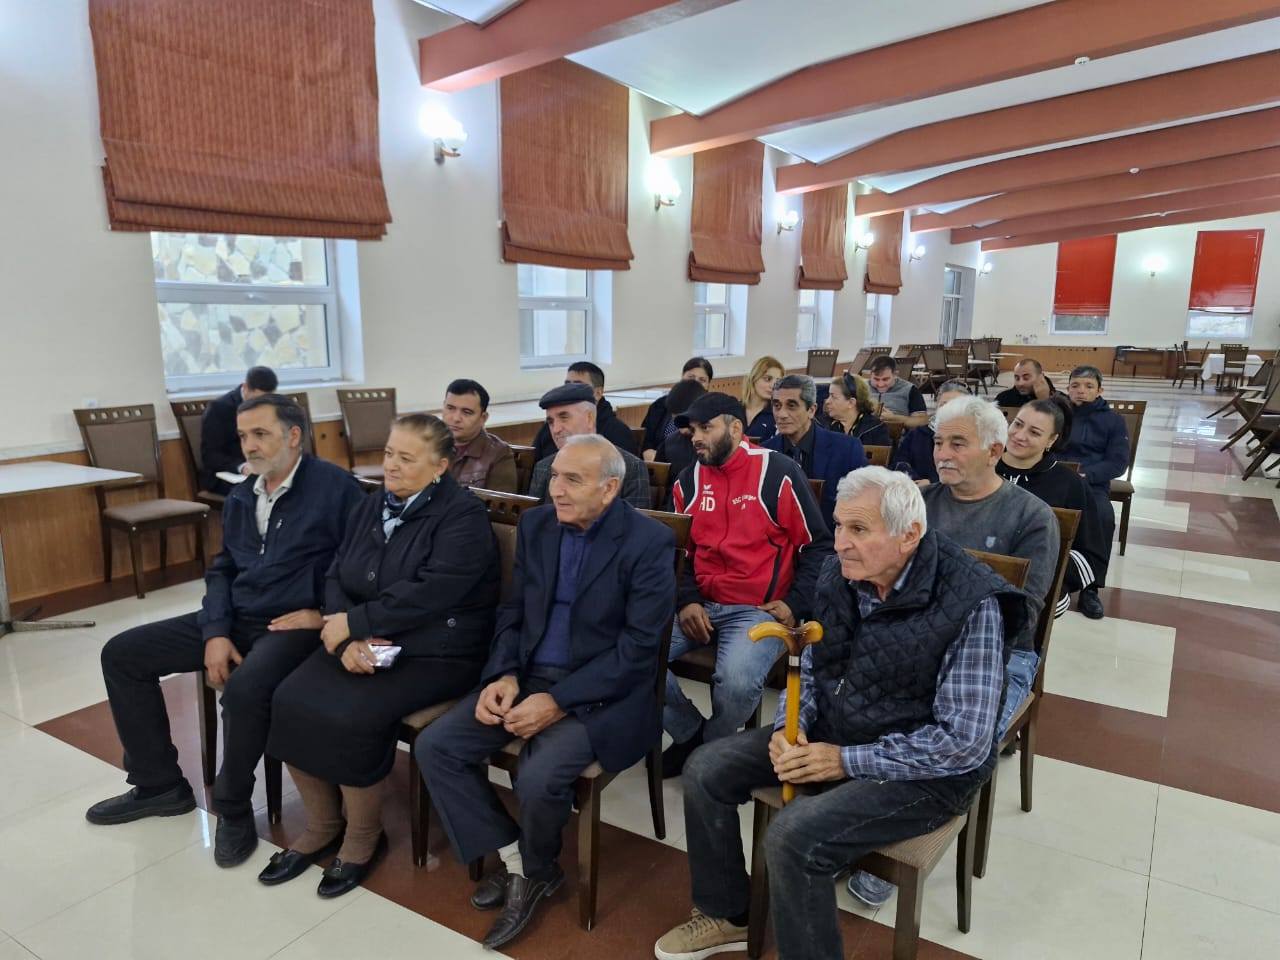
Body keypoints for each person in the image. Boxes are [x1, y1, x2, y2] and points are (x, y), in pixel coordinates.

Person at [653, 468, 1030, 960]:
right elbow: (812, 665)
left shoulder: (973, 603)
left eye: (859, 529)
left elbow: (963, 742)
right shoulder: (840, 573)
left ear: (909, 535)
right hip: (839, 729)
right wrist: (792, 725)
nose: (841, 543)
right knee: (706, 768)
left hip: (926, 773)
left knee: (793, 839)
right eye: (838, 526)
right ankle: (729, 914)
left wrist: (843, 760)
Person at [415, 435, 676, 951]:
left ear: (609, 489)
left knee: (538, 776)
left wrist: (558, 701)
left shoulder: (648, 543)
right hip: (529, 675)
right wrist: (504, 675)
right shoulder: (537, 525)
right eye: (554, 475)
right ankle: (520, 858)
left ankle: (535, 871)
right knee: (436, 746)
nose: (555, 489)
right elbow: (513, 611)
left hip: (604, 694)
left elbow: (638, 650)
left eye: (572, 480)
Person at [86, 394, 364, 868]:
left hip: (293, 624)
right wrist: (215, 631)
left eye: (261, 434)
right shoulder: (242, 494)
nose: (249, 446)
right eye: (243, 436)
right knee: (122, 653)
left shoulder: (336, 489)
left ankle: (233, 808)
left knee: (243, 690)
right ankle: (158, 784)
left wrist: (325, 615)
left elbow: (358, 564)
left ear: (294, 436)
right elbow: (223, 569)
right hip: (237, 616)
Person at [259, 414, 500, 897]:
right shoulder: (372, 504)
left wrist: (356, 625)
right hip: (363, 637)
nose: (391, 465)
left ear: (440, 466)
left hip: (437, 650)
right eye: (389, 453)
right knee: (285, 698)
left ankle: (363, 837)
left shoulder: (462, 517)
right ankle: (323, 824)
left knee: (353, 715)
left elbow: (432, 592)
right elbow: (336, 573)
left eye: (406, 458)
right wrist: (345, 636)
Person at [661, 393, 832, 777]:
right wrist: (687, 600)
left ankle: (709, 750)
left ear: (736, 428)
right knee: (630, 654)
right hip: (700, 603)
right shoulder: (687, 480)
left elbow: (819, 545)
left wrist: (795, 603)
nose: (696, 437)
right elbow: (676, 550)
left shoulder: (778, 472)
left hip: (759, 608)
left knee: (736, 684)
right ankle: (690, 732)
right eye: (693, 430)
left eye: (706, 428)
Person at [998, 397, 1107, 617]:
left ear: (1052, 439)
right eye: (1018, 424)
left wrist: (1050, 579)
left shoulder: (1069, 484)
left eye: (1034, 432)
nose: (1020, 435)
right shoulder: (981, 465)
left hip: (1039, 585)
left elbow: (1090, 554)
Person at [1059, 365, 1129, 620]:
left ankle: (1091, 588)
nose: (1081, 391)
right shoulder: (1059, 415)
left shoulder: (1113, 420)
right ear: (1068, 389)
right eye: (1075, 385)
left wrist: (1087, 475)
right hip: (1058, 478)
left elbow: (1118, 463)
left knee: (1102, 517)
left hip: (1092, 484)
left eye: (1089, 386)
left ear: (1100, 390)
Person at [764, 374, 868, 530]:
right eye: (777, 405)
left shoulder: (847, 449)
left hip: (831, 538)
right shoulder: (764, 453)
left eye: (791, 406)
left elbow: (863, 504)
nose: (781, 414)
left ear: (811, 410)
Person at [527, 384, 651, 509]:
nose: (556, 429)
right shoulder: (543, 468)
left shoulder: (631, 467)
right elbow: (534, 518)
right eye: (551, 422)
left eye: (564, 418)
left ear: (589, 418)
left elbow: (634, 520)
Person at [530, 361, 638, 461]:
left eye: (578, 385)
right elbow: (533, 463)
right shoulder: (551, 427)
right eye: (567, 385)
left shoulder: (617, 432)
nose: (570, 390)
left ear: (598, 393)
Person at [199, 365, 278, 494]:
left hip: (262, 469)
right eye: (258, 399)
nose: (261, 404)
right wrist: (242, 467)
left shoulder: (272, 406)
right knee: (264, 490)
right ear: (245, 387)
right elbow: (210, 455)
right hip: (226, 475)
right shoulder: (219, 409)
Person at [441, 378, 518, 493]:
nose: (456, 418)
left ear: (483, 418)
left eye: (466, 412)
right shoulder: (428, 444)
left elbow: (499, 503)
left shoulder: (499, 453)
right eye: (450, 408)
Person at [893, 380, 970, 483]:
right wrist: (915, 480)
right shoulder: (918, 434)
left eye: (955, 405)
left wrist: (932, 483)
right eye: (944, 405)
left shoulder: (973, 438)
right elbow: (899, 463)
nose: (948, 410)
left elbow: (973, 473)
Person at [641, 357, 714, 459]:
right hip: (656, 461)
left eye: (702, 380)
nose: (695, 383)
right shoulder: (661, 404)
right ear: (682, 377)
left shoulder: (711, 410)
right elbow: (646, 438)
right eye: (691, 377)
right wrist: (647, 451)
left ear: (708, 384)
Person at [653, 379, 707, 502]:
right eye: (676, 419)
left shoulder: (716, 443)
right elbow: (660, 487)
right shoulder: (669, 444)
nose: (682, 429)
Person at [821, 372, 892, 448]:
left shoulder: (876, 429)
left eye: (833, 397)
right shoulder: (821, 425)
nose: (827, 401)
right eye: (829, 396)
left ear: (851, 403)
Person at [867, 355, 928, 429]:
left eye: (885, 379)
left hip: (896, 434)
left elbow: (922, 421)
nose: (880, 384)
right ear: (870, 375)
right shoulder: (860, 387)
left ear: (895, 375)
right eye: (876, 379)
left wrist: (896, 418)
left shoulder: (910, 389)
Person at [739, 355, 784, 443]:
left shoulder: (778, 414)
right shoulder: (735, 408)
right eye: (767, 379)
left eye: (778, 382)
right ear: (754, 379)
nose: (773, 386)